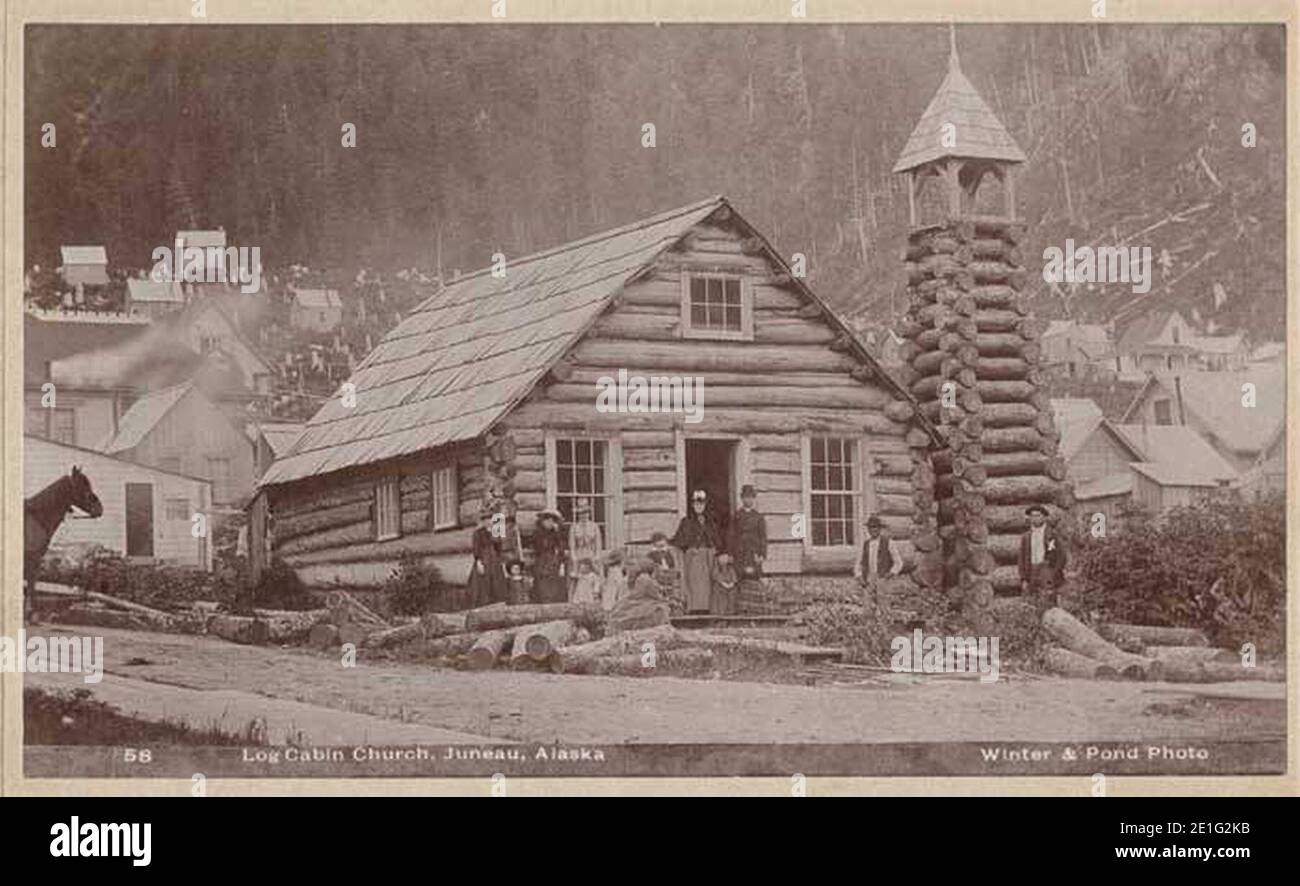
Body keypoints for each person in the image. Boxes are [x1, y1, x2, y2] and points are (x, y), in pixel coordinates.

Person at [670, 489, 721, 614]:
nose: (699, 507)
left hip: (708, 557)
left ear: (705, 505)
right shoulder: (686, 521)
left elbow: (717, 540)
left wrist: (714, 550)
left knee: (708, 585)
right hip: (693, 557)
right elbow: (679, 541)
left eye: (701, 504)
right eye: (696, 504)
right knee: (694, 584)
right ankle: (694, 609)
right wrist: (689, 549)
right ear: (692, 505)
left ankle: (707, 609)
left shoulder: (710, 522)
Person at [728, 484, 767, 614]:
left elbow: (763, 537)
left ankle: (755, 610)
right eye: (745, 497)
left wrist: (762, 554)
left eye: (750, 497)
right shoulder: (737, 516)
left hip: (753, 553)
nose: (748, 500)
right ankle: (740, 610)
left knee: (754, 579)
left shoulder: (759, 517)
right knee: (740, 579)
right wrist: (731, 553)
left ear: (754, 499)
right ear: (741, 499)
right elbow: (731, 536)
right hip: (740, 553)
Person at [1019, 505, 1066, 607]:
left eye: (1038, 516)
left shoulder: (1052, 534)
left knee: (1049, 601)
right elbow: (1021, 559)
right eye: (1032, 516)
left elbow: (1062, 556)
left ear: (1044, 517)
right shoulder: (1026, 537)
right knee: (1032, 602)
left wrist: (1054, 572)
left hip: (1047, 570)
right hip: (1031, 571)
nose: (1035, 518)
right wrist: (1023, 578)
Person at [467, 505, 509, 607]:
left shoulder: (496, 532)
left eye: (490, 519)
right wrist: (478, 562)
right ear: (482, 521)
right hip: (484, 559)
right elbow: (476, 549)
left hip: (495, 561)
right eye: (485, 519)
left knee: (497, 582)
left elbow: (499, 548)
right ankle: (483, 605)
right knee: (482, 584)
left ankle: (497, 604)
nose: (488, 521)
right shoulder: (478, 533)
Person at [855, 515, 903, 601]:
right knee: (868, 606)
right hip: (869, 579)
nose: (873, 530)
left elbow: (899, 562)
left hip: (883, 578)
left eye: (875, 527)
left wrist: (890, 573)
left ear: (880, 528)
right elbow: (858, 562)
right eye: (870, 527)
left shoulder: (889, 543)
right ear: (868, 529)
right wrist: (859, 576)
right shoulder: (865, 544)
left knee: (884, 606)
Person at [531, 508, 568, 604]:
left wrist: (557, 533)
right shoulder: (538, 533)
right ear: (542, 521)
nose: (549, 523)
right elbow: (539, 547)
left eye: (552, 521)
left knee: (554, 584)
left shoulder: (557, 534)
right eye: (547, 520)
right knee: (542, 584)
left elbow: (561, 548)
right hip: (542, 561)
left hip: (554, 562)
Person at [567, 497, 604, 581]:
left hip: (591, 556)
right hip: (578, 557)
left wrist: (596, 558)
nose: (583, 515)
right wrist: (575, 559)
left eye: (586, 512)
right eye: (581, 513)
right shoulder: (574, 527)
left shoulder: (594, 527)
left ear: (589, 513)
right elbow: (572, 547)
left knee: (594, 580)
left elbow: (598, 546)